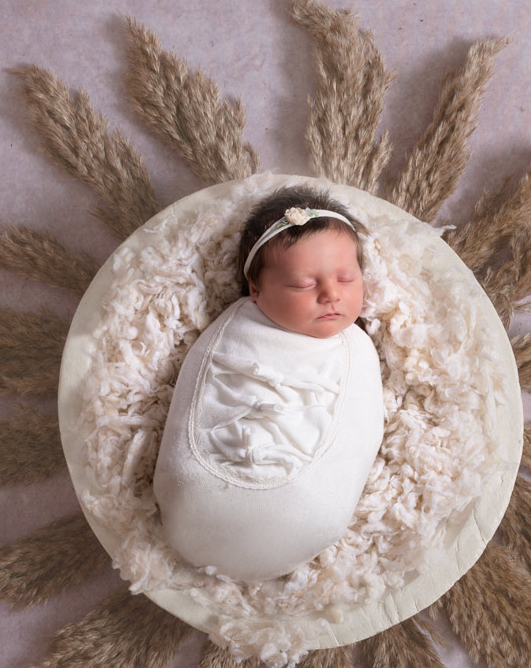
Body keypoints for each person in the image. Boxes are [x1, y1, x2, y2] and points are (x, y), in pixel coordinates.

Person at [153, 186, 385, 584]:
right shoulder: (234, 330)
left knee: (310, 487)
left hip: (301, 518)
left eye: (346, 278)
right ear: (255, 290)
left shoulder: (355, 347)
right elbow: (200, 386)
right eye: (302, 285)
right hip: (194, 497)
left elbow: (363, 424)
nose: (331, 294)